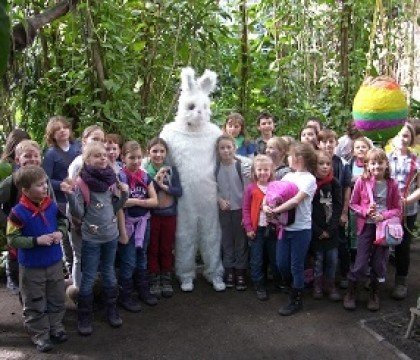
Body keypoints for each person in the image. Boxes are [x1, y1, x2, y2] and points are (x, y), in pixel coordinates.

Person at [63, 142, 128, 335]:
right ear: (87, 160)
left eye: (104, 155)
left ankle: (111, 310)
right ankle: (84, 315)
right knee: (89, 276)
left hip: (111, 236)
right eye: (97, 155)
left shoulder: (111, 179)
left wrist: (124, 195)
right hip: (91, 238)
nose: (103, 158)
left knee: (109, 273)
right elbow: (79, 213)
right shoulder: (81, 183)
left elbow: (115, 209)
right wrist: (69, 196)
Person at [7, 165, 68, 352]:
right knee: (34, 300)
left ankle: (56, 327)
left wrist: (60, 232)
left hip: (54, 262)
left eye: (45, 183)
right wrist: (35, 241)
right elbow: (12, 239)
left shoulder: (51, 204)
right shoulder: (17, 212)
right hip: (32, 267)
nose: (45, 188)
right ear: (25, 190)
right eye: (40, 185)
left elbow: (63, 221)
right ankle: (40, 335)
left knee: (57, 296)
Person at [343, 148, 401, 311]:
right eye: (373, 163)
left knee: (379, 264)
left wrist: (383, 215)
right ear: (367, 165)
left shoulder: (393, 184)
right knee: (360, 263)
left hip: (384, 229)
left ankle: (374, 294)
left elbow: (398, 208)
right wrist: (365, 211)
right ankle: (351, 292)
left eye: (380, 162)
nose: (376, 166)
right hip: (366, 227)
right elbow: (353, 204)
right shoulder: (362, 182)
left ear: (386, 164)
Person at [265, 142, 317, 316]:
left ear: (299, 158)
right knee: (281, 263)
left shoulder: (310, 179)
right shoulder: (288, 177)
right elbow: (272, 195)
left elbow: (296, 200)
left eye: (290, 155)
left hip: (301, 230)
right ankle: (293, 287)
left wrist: (275, 211)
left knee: (296, 265)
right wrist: (266, 206)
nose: (288, 158)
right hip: (284, 228)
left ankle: (296, 299)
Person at [0, 140, 49, 295]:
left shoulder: (43, 179)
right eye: (27, 156)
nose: (32, 159)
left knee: (41, 276)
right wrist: (9, 222)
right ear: (17, 160)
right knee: (23, 278)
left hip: (40, 234)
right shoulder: (11, 183)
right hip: (19, 239)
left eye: (36, 156)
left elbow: (50, 203)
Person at [64, 125, 106, 295]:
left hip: (96, 218)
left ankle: (92, 291)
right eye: (95, 139)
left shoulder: (102, 162)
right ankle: (79, 293)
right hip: (79, 217)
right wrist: (76, 221)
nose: (99, 143)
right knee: (79, 256)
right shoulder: (79, 163)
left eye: (102, 140)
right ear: (84, 141)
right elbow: (73, 192)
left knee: (95, 255)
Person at [118, 141, 158, 307]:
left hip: (144, 223)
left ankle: (143, 289)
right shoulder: (120, 177)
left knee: (142, 256)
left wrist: (134, 201)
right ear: (123, 158)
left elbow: (155, 201)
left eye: (139, 157)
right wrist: (141, 201)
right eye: (131, 157)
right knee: (128, 260)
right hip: (127, 224)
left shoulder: (145, 176)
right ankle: (125, 295)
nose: (135, 161)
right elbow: (120, 204)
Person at [143, 138, 182, 298]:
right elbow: (143, 193)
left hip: (169, 214)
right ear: (148, 153)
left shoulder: (172, 170)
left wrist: (165, 186)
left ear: (166, 153)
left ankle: (166, 277)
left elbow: (179, 191)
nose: (158, 155)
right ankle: (154, 278)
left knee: (166, 247)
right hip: (152, 215)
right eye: (155, 151)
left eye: (162, 151)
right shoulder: (145, 171)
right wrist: (156, 180)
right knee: (153, 247)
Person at [42, 116, 81, 277]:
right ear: (52, 135)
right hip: (61, 201)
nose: (62, 131)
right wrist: (61, 185)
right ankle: (70, 273)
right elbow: (45, 178)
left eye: (64, 127)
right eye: (57, 129)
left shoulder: (78, 147)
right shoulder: (51, 154)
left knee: (80, 235)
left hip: (80, 198)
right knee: (66, 237)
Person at [387, 122, 419, 299]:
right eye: (399, 135)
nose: (402, 138)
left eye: (406, 136)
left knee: (403, 246)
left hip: (407, 211)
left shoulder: (416, 160)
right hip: (388, 209)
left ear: (411, 140)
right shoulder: (386, 157)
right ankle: (378, 277)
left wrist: (407, 200)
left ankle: (401, 281)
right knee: (382, 242)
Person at [318, 129, 352, 289]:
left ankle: (343, 275)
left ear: (336, 144)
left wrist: (344, 212)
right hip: (318, 214)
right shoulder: (313, 162)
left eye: (331, 141)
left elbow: (347, 188)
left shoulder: (342, 163)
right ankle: (318, 281)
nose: (328, 145)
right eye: (325, 141)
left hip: (336, 211)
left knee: (340, 243)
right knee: (318, 249)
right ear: (319, 143)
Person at [216, 135, 250, 290]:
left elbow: (248, 191)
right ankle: (229, 270)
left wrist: (246, 213)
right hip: (223, 211)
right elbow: (210, 188)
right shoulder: (215, 167)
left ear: (234, 148)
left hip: (240, 211)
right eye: (222, 148)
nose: (226, 151)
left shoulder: (242, 166)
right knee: (226, 241)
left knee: (240, 242)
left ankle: (240, 271)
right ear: (217, 150)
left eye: (228, 147)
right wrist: (220, 200)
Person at [243, 155, 278, 301]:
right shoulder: (251, 188)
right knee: (256, 259)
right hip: (256, 230)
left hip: (273, 230)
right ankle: (259, 285)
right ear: (254, 171)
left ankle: (277, 282)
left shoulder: (276, 186)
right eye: (259, 170)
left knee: (274, 257)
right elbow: (245, 209)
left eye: (266, 170)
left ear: (271, 171)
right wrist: (248, 228)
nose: (263, 172)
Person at [311, 151, 342, 301]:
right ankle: (317, 285)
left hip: (331, 231)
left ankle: (330, 285)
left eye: (328, 164)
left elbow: (338, 206)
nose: (325, 167)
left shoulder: (334, 183)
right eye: (321, 164)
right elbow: (306, 210)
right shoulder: (310, 183)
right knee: (318, 260)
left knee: (332, 259)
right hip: (316, 230)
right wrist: (317, 230)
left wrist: (331, 229)